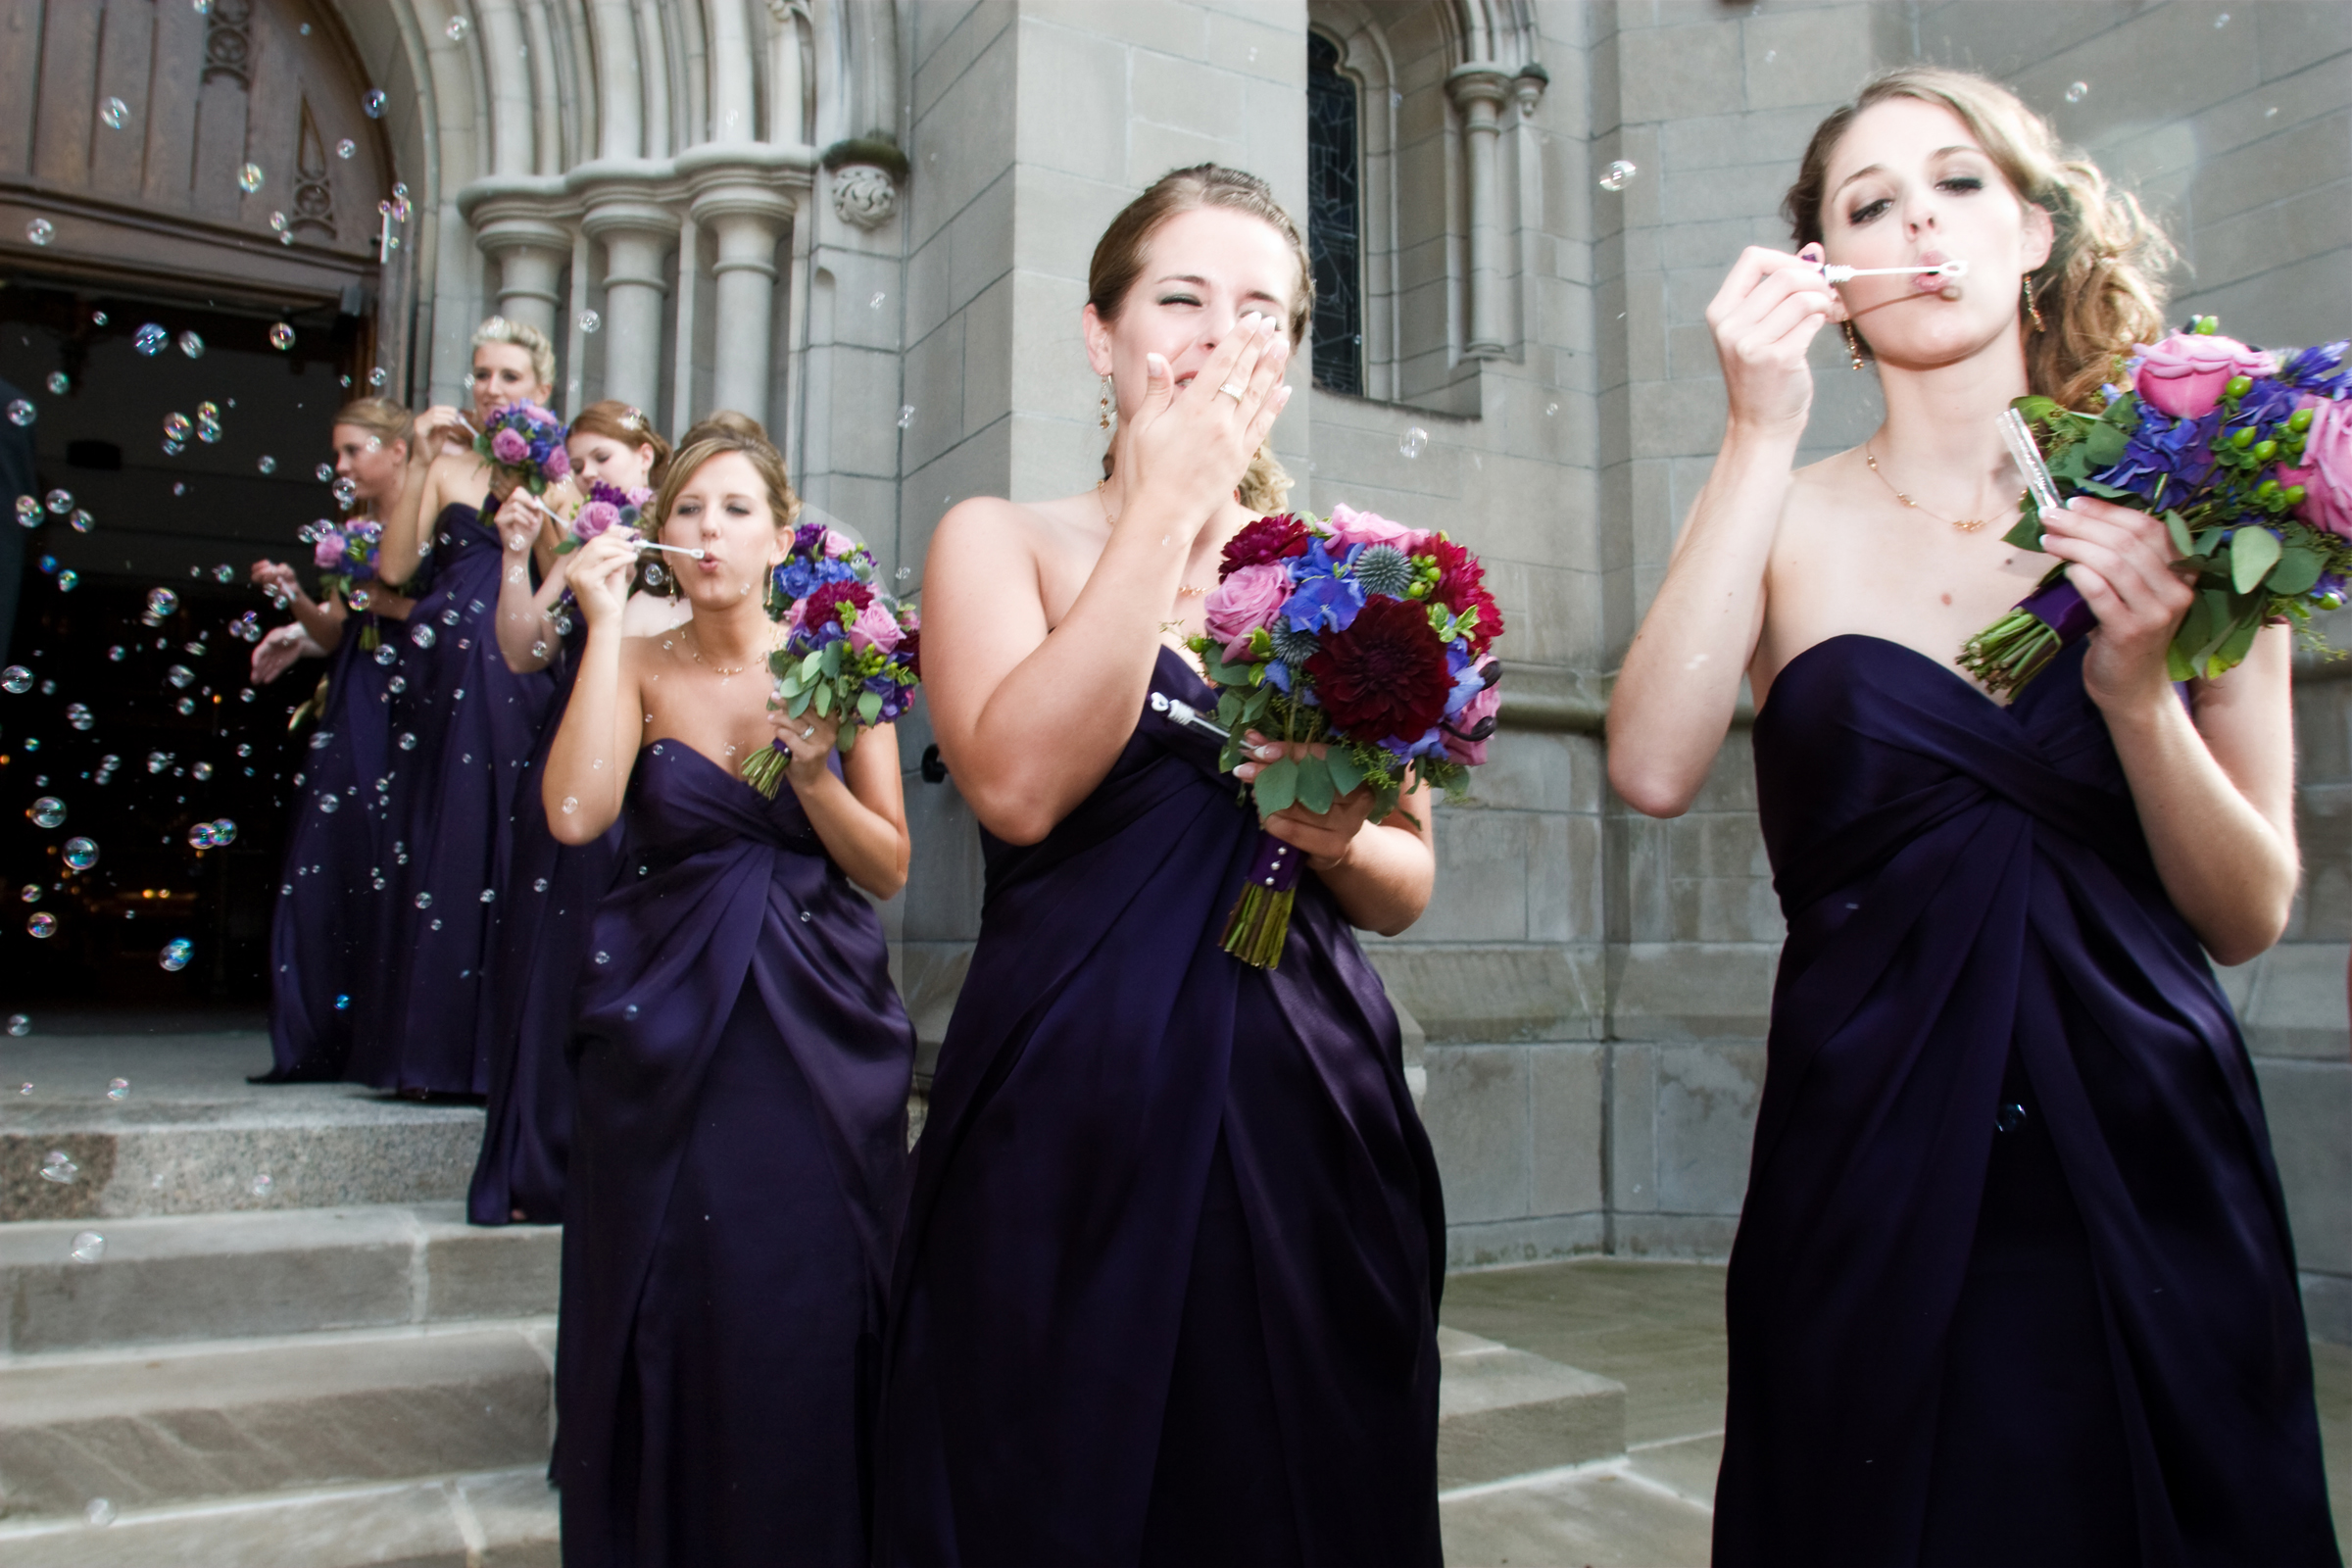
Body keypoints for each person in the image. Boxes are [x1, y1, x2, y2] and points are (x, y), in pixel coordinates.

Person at [1606, 68, 2338, 1564]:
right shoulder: (1783, 509)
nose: (1919, 223)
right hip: (1862, 1139)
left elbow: (2248, 910)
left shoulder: (2194, 500)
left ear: (2036, 232)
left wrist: (2135, 698)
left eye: (1957, 185)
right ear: (1826, 278)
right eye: (1868, 204)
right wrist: (1756, 430)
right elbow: (1653, 765)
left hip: (2143, 1134)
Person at [872, 165, 1447, 1566]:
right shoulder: (997, 539)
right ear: (1101, 333)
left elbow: (1406, 878)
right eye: (1178, 298)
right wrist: (1163, 509)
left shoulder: (1342, 583)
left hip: (1308, 1107)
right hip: (1070, 1116)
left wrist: (1337, 836)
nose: (1215, 334)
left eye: (1259, 310)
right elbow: (1016, 788)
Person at [546, 426, 915, 1567]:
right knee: (677, 1274)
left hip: (810, 1014)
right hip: (665, 1020)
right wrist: (605, 630)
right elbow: (577, 815)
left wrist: (810, 774)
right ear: (659, 531)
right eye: (691, 510)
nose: (711, 534)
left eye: (737, 510)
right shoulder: (639, 658)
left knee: (791, 1272)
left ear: (779, 531)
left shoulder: (841, 654)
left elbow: (889, 865)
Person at [468, 401, 679, 1224]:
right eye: (579, 461)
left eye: (603, 457)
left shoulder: (672, 543)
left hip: (651, 764)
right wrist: (518, 555)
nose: (589, 473)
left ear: (645, 456)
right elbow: (524, 650)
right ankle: (545, 1157)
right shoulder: (579, 543)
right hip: (573, 761)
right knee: (560, 952)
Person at [351, 318, 559, 1096]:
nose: (490, 389)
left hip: (509, 669)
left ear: (540, 389)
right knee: (436, 830)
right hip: (435, 674)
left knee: (496, 828)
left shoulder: (550, 471)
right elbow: (398, 568)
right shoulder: (444, 462)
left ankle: (489, 1050)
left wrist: (536, 490)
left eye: (508, 376)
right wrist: (415, 452)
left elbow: (555, 579)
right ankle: (424, 1048)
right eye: (481, 375)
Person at [248, 398, 417, 1082]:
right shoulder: (355, 529)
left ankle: (384, 1033)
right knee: (331, 851)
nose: (342, 466)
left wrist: (384, 603)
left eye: (353, 450)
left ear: (397, 450)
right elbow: (336, 630)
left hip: (410, 696)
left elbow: (441, 609)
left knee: (392, 853)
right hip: (356, 691)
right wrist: (295, 594)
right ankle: (320, 1033)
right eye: (339, 453)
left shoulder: (429, 525)